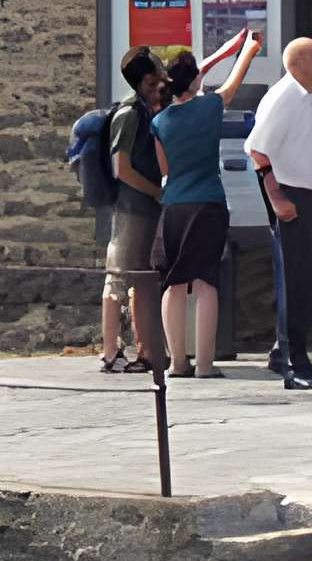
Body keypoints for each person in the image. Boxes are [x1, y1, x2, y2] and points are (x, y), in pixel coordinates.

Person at [150, 29, 260, 380]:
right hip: (208, 203)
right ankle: (207, 365)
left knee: (174, 284)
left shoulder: (159, 121)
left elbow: (163, 168)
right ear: (195, 79)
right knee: (206, 284)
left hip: (174, 208)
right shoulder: (210, 107)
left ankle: (178, 362)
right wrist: (248, 51)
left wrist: (221, 53)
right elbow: (233, 82)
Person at [247, 35, 312, 391]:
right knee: (298, 285)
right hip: (292, 200)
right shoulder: (284, 98)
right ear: (296, 65)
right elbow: (257, 149)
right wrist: (276, 197)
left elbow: (309, 147)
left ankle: (280, 349)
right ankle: (294, 363)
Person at [97, 46, 168, 376]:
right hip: (131, 209)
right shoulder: (128, 115)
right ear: (140, 81)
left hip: (146, 208)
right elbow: (121, 168)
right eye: (152, 81)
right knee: (117, 278)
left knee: (138, 277)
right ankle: (110, 351)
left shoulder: (144, 111)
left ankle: (143, 349)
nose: (158, 87)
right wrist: (156, 191)